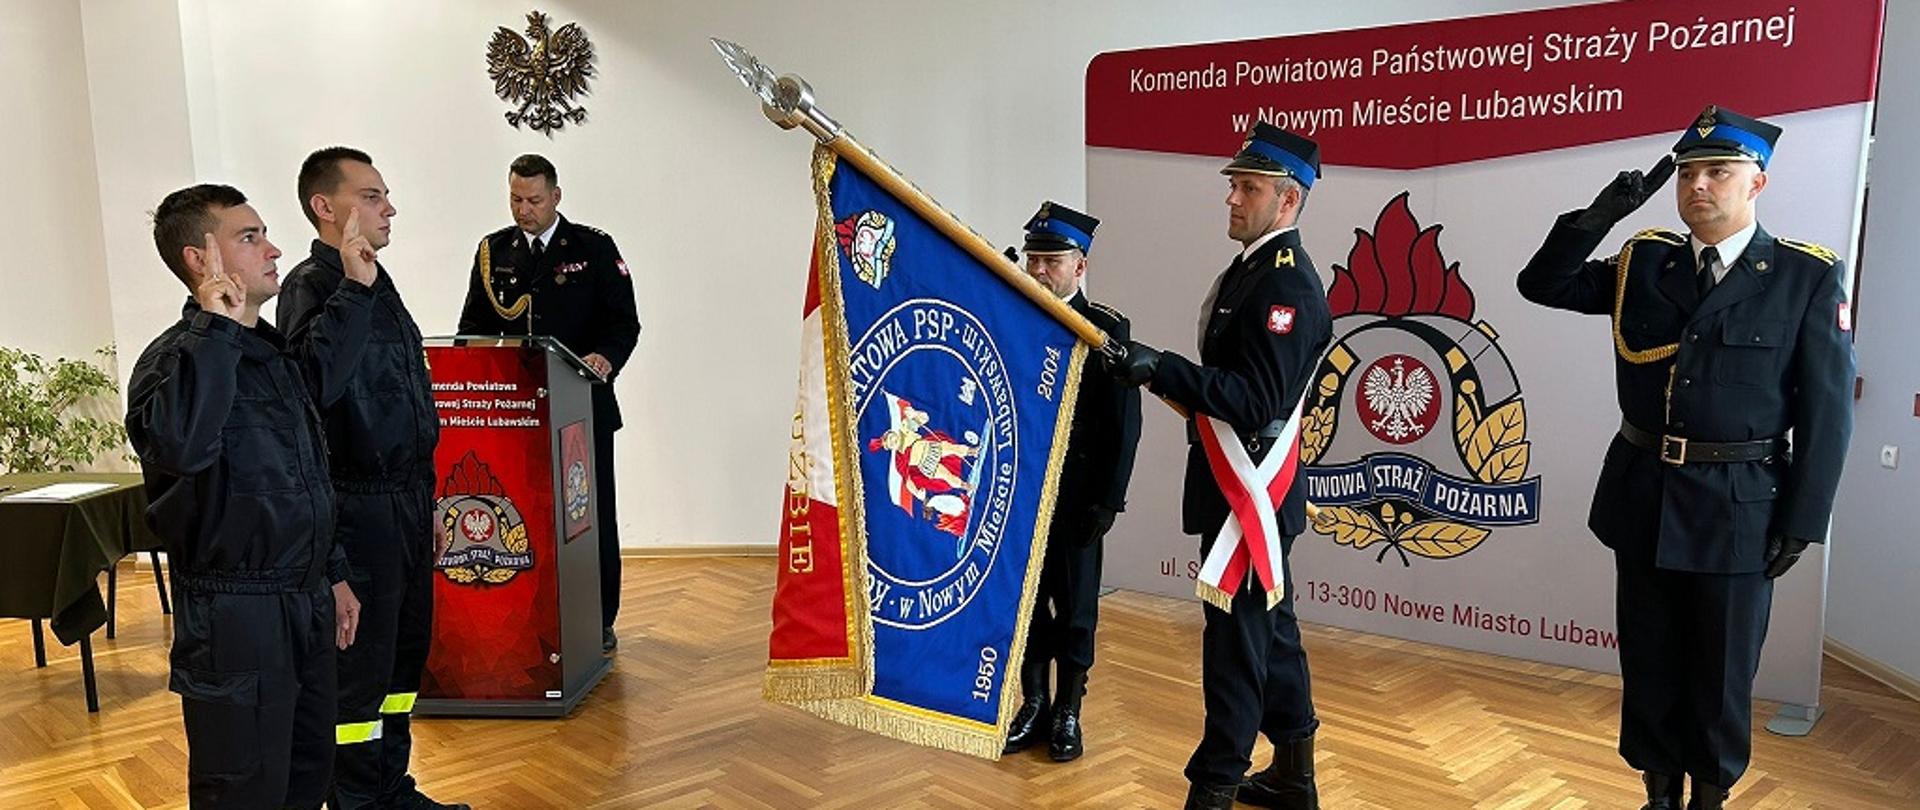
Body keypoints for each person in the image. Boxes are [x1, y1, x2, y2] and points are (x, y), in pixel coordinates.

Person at [1516, 106, 1854, 810]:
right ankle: (1659, 796)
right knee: (1650, 664)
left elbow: (1828, 410)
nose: (1698, 185)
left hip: (1740, 507)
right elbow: (1540, 286)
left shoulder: (1802, 278)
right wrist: (1597, 218)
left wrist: (1805, 517)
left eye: (1718, 172)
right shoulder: (1646, 263)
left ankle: (1709, 798)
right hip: (1644, 496)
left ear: (1756, 183)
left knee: (1722, 673)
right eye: (1690, 172)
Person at [1110, 123, 1333, 810]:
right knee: (1274, 631)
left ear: (1287, 200)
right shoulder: (1252, 269)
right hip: (1242, 485)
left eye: (1248, 187)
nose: (1232, 198)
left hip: (1251, 495)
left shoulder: (1286, 288)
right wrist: (1150, 364)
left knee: (1236, 645)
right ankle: (1294, 772)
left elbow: (1256, 399)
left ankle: (1213, 788)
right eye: (1235, 185)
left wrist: (1161, 369)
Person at [126, 183, 371, 808]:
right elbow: (180, 447)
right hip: (237, 616)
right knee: (242, 788)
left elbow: (308, 474)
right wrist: (214, 328)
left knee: (307, 773)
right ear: (198, 259)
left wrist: (333, 571)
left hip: (304, 600)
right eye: (249, 237)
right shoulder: (175, 361)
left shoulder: (272, 357)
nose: (273, 248)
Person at [278, 147, 466, 810]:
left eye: (387, 195)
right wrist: (353, 291)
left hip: (408, 503)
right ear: (325, 208)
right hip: (357, 509)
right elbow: (311, 387)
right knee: (358, 673)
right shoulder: (315, 286)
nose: (390, 209)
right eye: (373, 195)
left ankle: (391, 787)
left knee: (400, 660)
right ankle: (356, 800)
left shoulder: (376, 281)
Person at [458, 154, 639, 654]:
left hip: (583, 405)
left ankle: (598, 617)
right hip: (518, 412)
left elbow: (624, 322)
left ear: (556, 196)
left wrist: (604, 357)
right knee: (526, 513)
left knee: (590, 515)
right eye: (515, 199)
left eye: (534, 200)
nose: (524, 210)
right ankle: (530, 615)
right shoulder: (493, 252)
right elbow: (472, 328)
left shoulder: (593, 248)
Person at [1000, 202, 1142, 763]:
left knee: (1077, 608)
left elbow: (1123, 425)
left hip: (1079, 496)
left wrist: (1108, 501)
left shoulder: (1106, 328)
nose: (1038, 270)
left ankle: (1068, 710)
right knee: (1029, 604)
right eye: (1033, 258)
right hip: (1023, 494)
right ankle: (1032, 702)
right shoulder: (1012, 314)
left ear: (1079, 266)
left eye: (1051, 261)